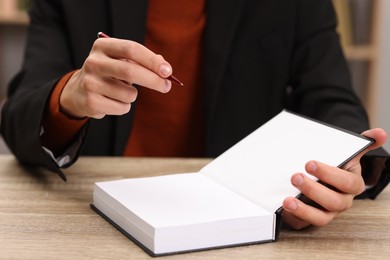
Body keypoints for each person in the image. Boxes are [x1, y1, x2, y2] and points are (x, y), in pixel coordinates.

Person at [1, 0, 389, 230]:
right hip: (91, 217)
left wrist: (345, 166)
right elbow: (20, 114)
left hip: (245, 222)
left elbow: (332, 98)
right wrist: (68, 98)